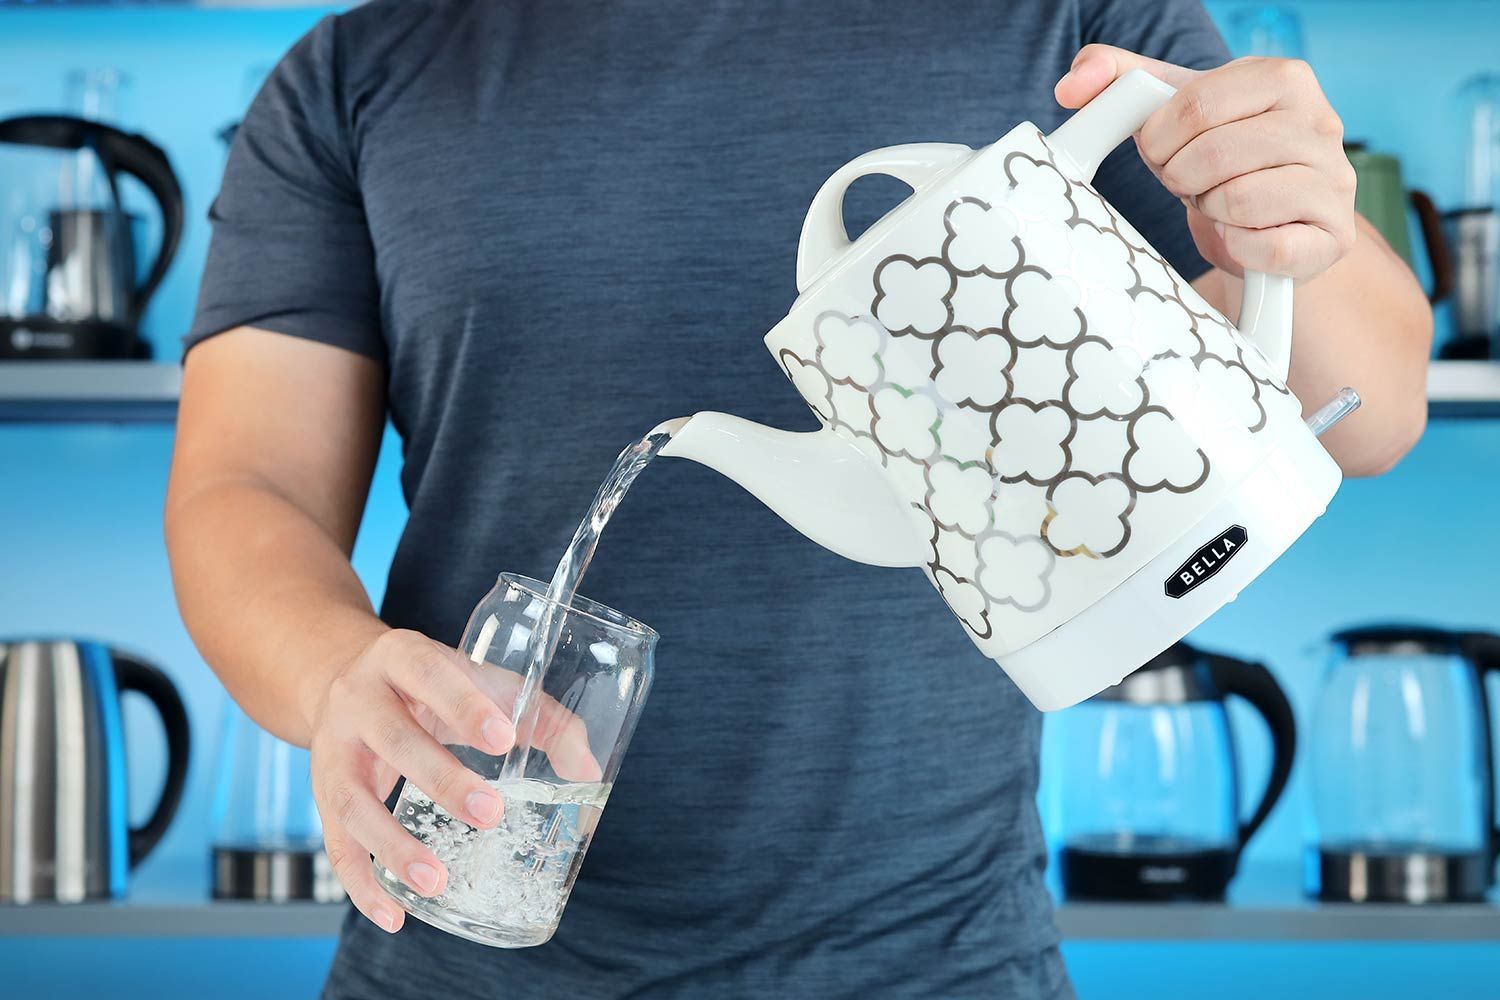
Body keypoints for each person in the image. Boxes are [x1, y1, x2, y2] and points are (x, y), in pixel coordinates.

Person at [165, 1, 1431, 997]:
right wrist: (337, 671)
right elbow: (245, 482)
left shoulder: (1060, 24)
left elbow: (1375, 405)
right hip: (451, 946)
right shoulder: (358, 72)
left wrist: (1292, 221)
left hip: (942, 962)